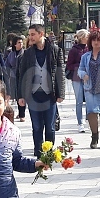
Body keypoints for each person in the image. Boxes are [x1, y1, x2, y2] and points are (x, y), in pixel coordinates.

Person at [17, 24, 65, 157]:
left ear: (41, 34)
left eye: (33, 34)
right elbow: (21, 75)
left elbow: (60, 73)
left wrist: (60, 93)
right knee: (37, 126)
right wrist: (20, 96)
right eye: (29, 34)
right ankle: (38, 153)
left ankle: (49, 153)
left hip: (50, 94)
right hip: (33, 95)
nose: (30, 37)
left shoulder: (55, 50)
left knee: (50, 126)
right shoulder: (27, 53)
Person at [65, 29, 90, 132]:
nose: (88, 39)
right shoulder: (74, 50)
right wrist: (80, 66)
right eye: (86, 37)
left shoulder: (90, 49)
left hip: (88, 77)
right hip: (77, 77)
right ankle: (80, 122)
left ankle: (89, 120)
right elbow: (69, 65)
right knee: (79, 101)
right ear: (81, 38)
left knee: (89, 100)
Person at [6, 35, 26, 122]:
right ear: (14, 44)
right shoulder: (11, 54)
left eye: (21, 42)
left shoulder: (25, 53)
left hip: (23, 77)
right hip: (13, 77)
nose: (20, 44)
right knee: (16, 95)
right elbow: (7, 64)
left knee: (22, 95)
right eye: (18, 43)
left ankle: (22, 114)